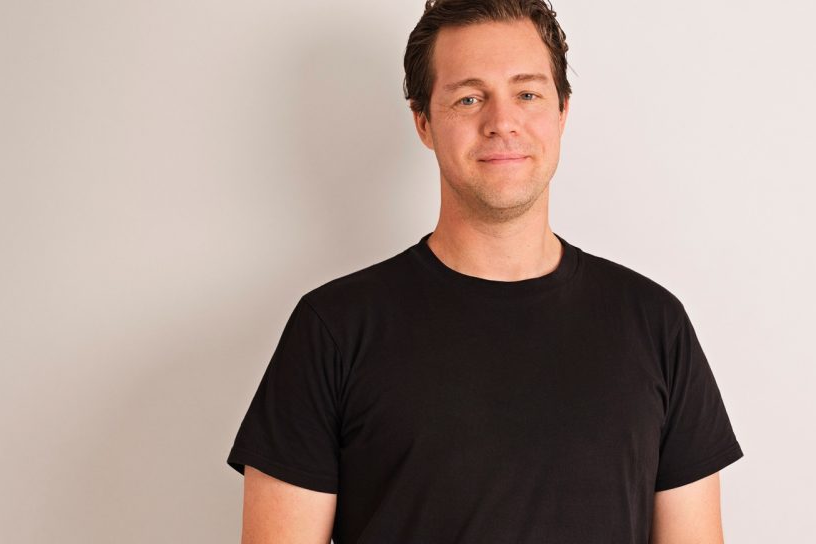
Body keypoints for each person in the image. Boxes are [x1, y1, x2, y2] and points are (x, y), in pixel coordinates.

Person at [226, 1, 744, 542]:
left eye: (527, 94)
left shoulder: (655, 324)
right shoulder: (333, 329)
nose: (501, 122)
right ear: (423, 122)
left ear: (562, 112)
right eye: (469, 98)